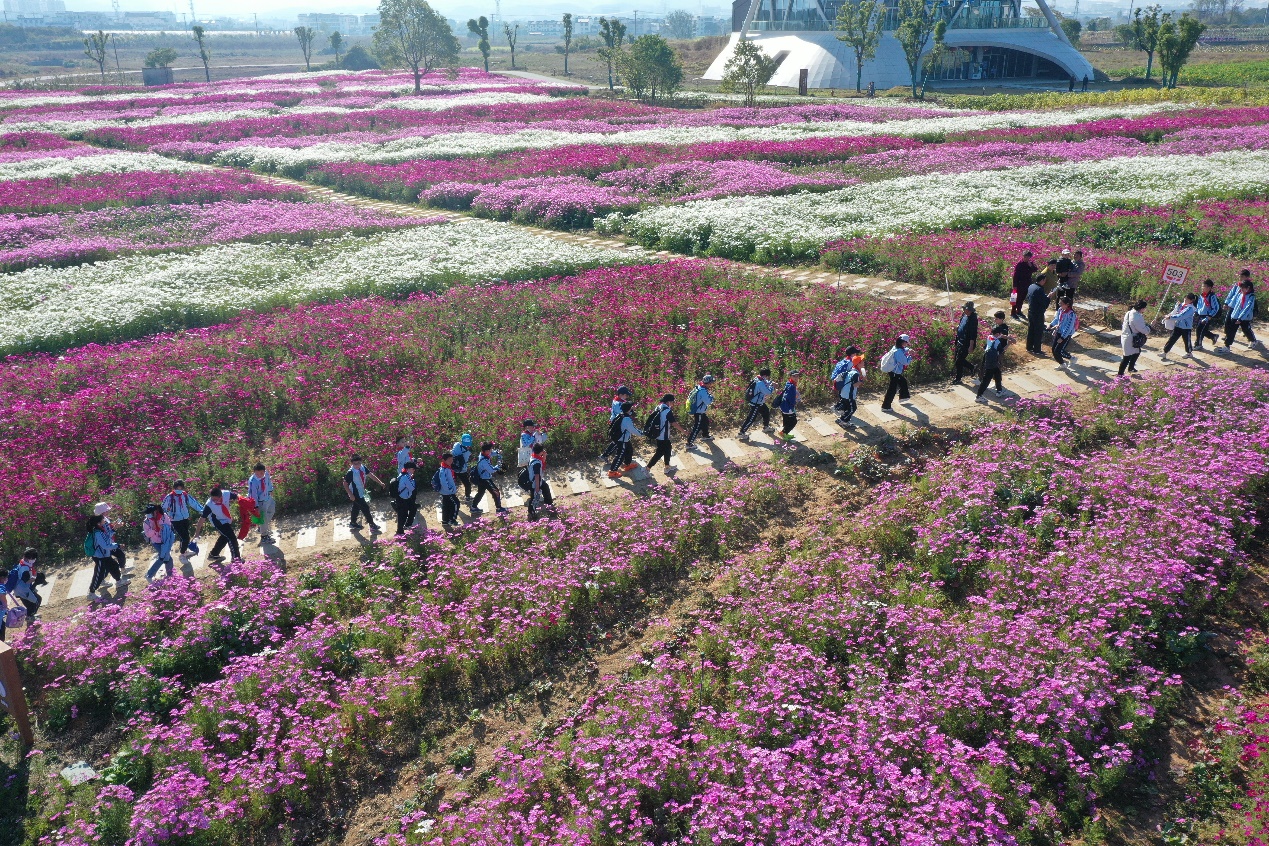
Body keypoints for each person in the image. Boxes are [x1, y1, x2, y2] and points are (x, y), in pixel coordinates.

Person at [1218, 271, 1261, 353]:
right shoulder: (1240, 294)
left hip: (1244, 317)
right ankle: (1227, 346)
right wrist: (1232, 313)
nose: (1240, 289)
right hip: (1236, 316)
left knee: (1246, 329)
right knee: (1231, 330)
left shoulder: (1251, 297)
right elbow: (1236, 304)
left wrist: (1240, 318)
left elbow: (1247, 308)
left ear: (1248, 288)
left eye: (1242, 288)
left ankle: (1253, 340)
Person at [161, 479, 202, 561]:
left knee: (183, 536)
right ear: (174, 488)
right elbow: (163, 508)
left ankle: (184, 550)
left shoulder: (185, 495)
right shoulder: (169, 497)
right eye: (177, 489)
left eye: (181, 488)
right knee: (186, 538)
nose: (179, 490)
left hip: (185, 519)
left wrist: (203, 510)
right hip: (175, 520)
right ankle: (182, 554)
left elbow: (194, 503)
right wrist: (168, 515)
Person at [342, 455, 384, 532]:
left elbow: (371, 475)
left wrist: (380, 482)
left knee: (356, 507)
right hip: (355, 493)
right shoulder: (351, 472)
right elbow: (345, 483)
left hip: (361, 491)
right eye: (355, 464)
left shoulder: (362, 467)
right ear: (352, 463)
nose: (357, 465)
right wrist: (350, 494)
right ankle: (372, 524)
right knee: (365, 508)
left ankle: (353, 523)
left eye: (359, 463)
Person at [200, 486, 241, 562]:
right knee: (231, 538)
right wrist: (196, 533)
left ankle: (213, 554)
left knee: (225, 537)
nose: (214, 501)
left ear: (221, 496)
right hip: (218, 522)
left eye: (216, 499)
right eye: (213, 499)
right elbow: (202, 518)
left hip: (226, 519)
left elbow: (237, 496)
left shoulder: (226, 494)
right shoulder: (209, 505)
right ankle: (236, 559)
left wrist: (243, 501)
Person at [87, 510, 124, 597]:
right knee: (98, 575)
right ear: (99, 523)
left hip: (104, 555)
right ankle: (91, 593)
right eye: (103, 519)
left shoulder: (100, 530)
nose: (104, 520)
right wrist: (117, 546)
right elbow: (105, 545)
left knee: (114, 566)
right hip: (100, 557)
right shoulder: (97, 533)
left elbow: (107, 538)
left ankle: (119, 581)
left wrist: (114, 529)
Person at [645, 394, 682, 475]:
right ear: (668, 402)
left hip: (657, 433)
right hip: (663, 435)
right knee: (660, 453)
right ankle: (647, 468)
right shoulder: (667, 411)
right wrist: (684, 431)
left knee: (668, 448)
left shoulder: (658, 407)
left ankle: (667, 467)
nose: (673, 403)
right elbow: (674, 423)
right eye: (672, 402)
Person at [738, 368, 776, 441]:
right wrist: (773, 386)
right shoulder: (760, 383)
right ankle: (741, 433)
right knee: (751, 418)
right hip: (755, 404)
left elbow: (766, 382)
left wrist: (770, 382)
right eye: (768, 376)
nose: (768, 378)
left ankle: (766, 427)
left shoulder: (757, 378)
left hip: (759, 402)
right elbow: (768, 392)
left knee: (766, 412)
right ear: (765, 376)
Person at [142, 504, 176, 582]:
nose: (148, 514)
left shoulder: (164, 516)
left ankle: (169, 575)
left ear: (155, 511)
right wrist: (153, 528)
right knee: (164, 557)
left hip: (165, 541)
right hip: (156, 542)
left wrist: (162, 527)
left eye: (150, 512)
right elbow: (148, 534)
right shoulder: (146, 522)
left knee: (166, 557)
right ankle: (150, 575)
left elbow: (169, 525)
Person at [607, 402, 642, 478]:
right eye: (631, 407)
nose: (632, 408)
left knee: (629, 450)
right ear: (629, 409)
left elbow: (630, 413)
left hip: (624, 438)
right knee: (620, 455)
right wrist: (642, 433)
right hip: (621, 439)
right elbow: (633, 430)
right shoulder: (626, 419)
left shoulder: (621, 414)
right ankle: (612, 471)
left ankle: (627, 464)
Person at [880, 335, 914, 412]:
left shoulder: (895, 348)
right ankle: (886, 406)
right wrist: (910, 356)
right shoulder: (899, 352)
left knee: (903, 381)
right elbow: (905, 362)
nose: (907, 344)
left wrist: (908, 350)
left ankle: (903, 397)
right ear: (903, 342)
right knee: (892, 389)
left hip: (893, 371)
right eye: (906, 343)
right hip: (895, 372)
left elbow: (903, 350)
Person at [472, 444, 508, 515]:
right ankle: (499, 508)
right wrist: (499, 465)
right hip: (485, 479)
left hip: (481, 478)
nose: (491, 451)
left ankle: (473, 507)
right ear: (486, 451)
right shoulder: (484, 461)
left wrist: (497, 452)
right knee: (496, 492)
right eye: (490, 450)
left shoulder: (483, 454)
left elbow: (492, 453)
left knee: (480, 493)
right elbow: (491, 470)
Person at [976, 325, 1010, 401]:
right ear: (997, 334)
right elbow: (1001, 351)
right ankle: (979, 396)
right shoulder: (997, 342)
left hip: (988, 359)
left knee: (997, 374)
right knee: (986, 379)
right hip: (992, 362)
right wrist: (1009, 344)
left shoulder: (989, 337)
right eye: (1000, 334)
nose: (1001, 335)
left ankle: (999, 390)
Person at [1161, 293, 1198, 361]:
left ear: (1191, 300)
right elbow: (1177, 311)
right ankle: (1165, 352)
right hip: (1178, 325)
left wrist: (1170, 317)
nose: (1185, 299)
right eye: (1185, 298)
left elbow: (1181, 316)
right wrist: (1177, 306)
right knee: (1172, 339)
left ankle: (1189, 353)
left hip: (1186, 328)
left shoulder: (1190, 308)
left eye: (1187, 299)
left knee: (1187, 341)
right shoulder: (1182, 305)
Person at [6, 548, 42, 617]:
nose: (34, 560)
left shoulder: (23, 563)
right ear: (30, 558)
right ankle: (30, 617)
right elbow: (27, 580)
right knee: (36, 601)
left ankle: (31, 616)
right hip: (23, 590)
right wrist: (36, 580)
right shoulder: (24, 568)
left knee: (31, 603)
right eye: (34, 558)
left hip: (21, 589)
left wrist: (35, 576)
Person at [1119, 299, 1151, 376]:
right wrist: (1149, 327)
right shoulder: (1136, 317)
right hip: (1130, 339)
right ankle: (1120, 374)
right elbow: (1143, 330)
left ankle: (1131, 367)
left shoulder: (1129, 312)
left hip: (1127, 336)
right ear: (1142, 308)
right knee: (1126, 357)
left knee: (1137, 352)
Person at [685, 374, 716, 450]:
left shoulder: (699, 387)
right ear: (708, 383)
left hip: (700, 411)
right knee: (697, 427)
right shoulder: (703, 391)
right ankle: (689, 443)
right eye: (711, 383)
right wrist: (712, 396)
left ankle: (705, 435)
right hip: (698, 412)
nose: (712, 384)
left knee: (705, 421)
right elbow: (708, 401)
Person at [601, 387, 633, 461]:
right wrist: (631, 410)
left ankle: (606, 455)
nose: (627, 396)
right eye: (626, 395)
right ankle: (605, 456)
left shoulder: (618, 401)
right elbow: (623, 413)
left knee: (618, 441)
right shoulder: (618, 403)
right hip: (618, 424)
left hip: (618, 422)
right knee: (618, 440)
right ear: (621, 395)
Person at [246, 463, 275, 544]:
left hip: (268, 498)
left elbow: (268, 482)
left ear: (264, 471)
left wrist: (271, 490)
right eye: (257, 473)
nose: (259, 475)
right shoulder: (253, 481)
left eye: (261, 473)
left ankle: (261, 527)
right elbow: (253, 495)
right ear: (254, 472)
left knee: (271, 511)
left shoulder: (266, 474)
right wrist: (256, 506)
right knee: (263, 519)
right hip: (260, 502)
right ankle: (264, 536)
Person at [952, 302, 979, 384]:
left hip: (966, 343)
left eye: (967, 309)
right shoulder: (964, 315)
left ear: (971, 310)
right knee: (957, 359)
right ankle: (972, 367)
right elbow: (961, 324)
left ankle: (958, 378)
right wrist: (957, 328)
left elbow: (973, 334)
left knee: (959, 361)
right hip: (959, 340)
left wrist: (971, 346)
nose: (965, 311)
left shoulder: (973, 319)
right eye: (965, 309)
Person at [526, 442, 553, 520]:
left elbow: (542, 462)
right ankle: (531, 513)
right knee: (534, 498)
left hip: (538, 481)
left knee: (545, 488)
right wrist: (537, 488)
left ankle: (549, 504)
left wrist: (544, 455)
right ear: (540, 452)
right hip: (535, 483)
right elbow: (537, 476)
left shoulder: (533, 456)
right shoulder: (536, 463)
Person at [1047, 296, 1077, 366]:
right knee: (1054, 350)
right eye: (1059, 303)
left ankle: (1070, 359)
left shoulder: (1071, 314)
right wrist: (1051, 325)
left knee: (1058, 351)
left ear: (1067, 304)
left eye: (1061, 303)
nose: (1059, 305)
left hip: (1066, 335)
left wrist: (1062, 337)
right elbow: (1057, 319)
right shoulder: (1060, 310)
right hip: (1059, 331)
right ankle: (1063, 364)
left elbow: (1068, 327)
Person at [391, 460, 418, 535]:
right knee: (403, 515)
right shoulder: (406, 477)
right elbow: (412, 488)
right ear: (408, 469)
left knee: (413, 509)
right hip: (402, 498)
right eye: (413, 469)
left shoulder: (404, 474)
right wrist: (413, 480)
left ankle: (407, 525)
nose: (414, 470)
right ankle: (400, 531)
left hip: (405, 497)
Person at [1025, 278, 1051, 354]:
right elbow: (1043, 303)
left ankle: (1029, 347)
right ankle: (1037, 350)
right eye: (1044, 280)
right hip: (1038, 313)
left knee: (1031, 330)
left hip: (1031, 311)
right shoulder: (1039, 289)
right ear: (1042, 280)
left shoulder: (1031, 286)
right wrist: (1048, 297)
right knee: (1038, 331)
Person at [1195, 278, 1222, 351]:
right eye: (1202, 286)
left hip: (1207, 316)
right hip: (1201, 315)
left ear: (1209, 288)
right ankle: (1213, 336)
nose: (1202, 288)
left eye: (1204, 286)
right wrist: (1196, 312)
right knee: (1202, 330)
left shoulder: (1212, 296)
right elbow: (1199, 305)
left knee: (1199, 330)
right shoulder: (1202, 295)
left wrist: (1209, 316)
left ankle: (1198, 344)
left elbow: (1215, 308)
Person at [773, 370, 801, 440]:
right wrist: (794, 404)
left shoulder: (788, 383)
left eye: (797, 376)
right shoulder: (792, 386)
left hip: (783, 405)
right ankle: (784, 433)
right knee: (793, 421)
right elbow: (790, 398)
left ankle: (784, 432)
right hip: (788, 407)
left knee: (787, 419)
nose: (796, 378)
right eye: (794, 376)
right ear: (790, 376)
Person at [437, 452, 461, 531]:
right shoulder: (443, 470)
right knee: (456, 503)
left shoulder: (447, 468)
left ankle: (445, 521)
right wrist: (450, 490)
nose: (451, 461)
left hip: (446, 491)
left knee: (446, 506)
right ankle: (452, 520)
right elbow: (444, 482)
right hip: (448, 492)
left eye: (452, 460)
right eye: (449, 460)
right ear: (444, 460)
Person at [1011, 251, 1037, 319]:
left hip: (1027, 284)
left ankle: (1019, 311)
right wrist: (1014, 285)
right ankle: (1013, 312)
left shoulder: (1030, 263)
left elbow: (1035, 269)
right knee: (1016, 299)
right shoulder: (1019, 264)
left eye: (1028, 257)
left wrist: (1031, 266)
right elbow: (1015, 275)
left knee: (1022, 298)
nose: (1026, 258)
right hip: (1019, 284)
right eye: (1025, 256)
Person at [836, 358, 862, 427]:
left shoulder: (851, 370)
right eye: (862, 362)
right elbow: (855, 385)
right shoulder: (856, 374)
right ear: (858, 364)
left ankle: (838, 409)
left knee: (847, 406)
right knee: (852, 408)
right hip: (849, 394)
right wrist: (862, 380)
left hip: (843, 392)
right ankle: (843, 421)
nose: (864, 363)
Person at [451, 433, 475, 504]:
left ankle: (451, 497)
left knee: (452, 483)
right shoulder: (467, 452)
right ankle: (467, 497)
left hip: (452, 468)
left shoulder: (456, 445)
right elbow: (465, 461)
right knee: (467, 484)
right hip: (462, 470)